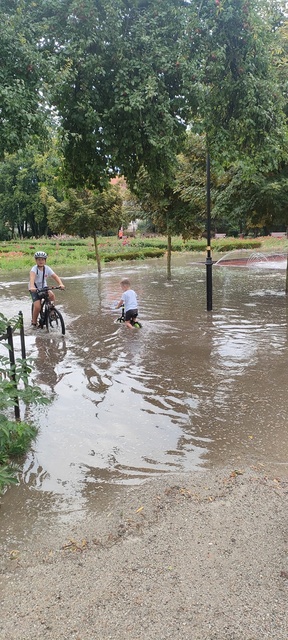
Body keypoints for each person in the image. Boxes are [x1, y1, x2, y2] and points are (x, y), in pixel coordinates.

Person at [29, 251, 65, 327]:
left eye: (42, 259)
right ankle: (34, 322)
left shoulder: (47, 268)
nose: (41, 261)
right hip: (34, 288)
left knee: (52, 295)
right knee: (38, 306)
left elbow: (55, 276)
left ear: (45, 260)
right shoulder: (34, 269)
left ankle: (51, 312)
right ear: (36, 260)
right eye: (39, 259)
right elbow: (32, 278)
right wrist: (32, 287)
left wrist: (60, 284)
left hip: (44, 287)